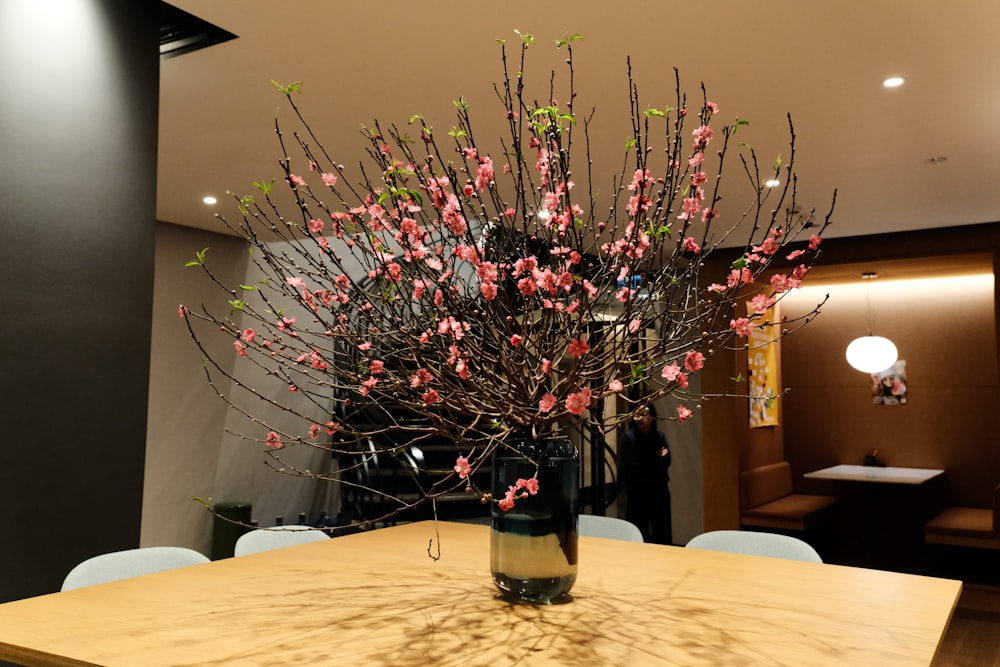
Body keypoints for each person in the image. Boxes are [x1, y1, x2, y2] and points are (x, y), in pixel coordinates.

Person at [620, 403, 672, 544]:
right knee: (637, 533)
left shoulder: (659, 436)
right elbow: (631, 467)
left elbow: (667, 461)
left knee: (663, 532)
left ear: (652, 417)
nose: (639, 418)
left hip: (659, 491)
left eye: (644, 414)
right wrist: (655, 459)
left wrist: (644, 461)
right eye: (636, 414)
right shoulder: (628, 438)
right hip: (638, 492)